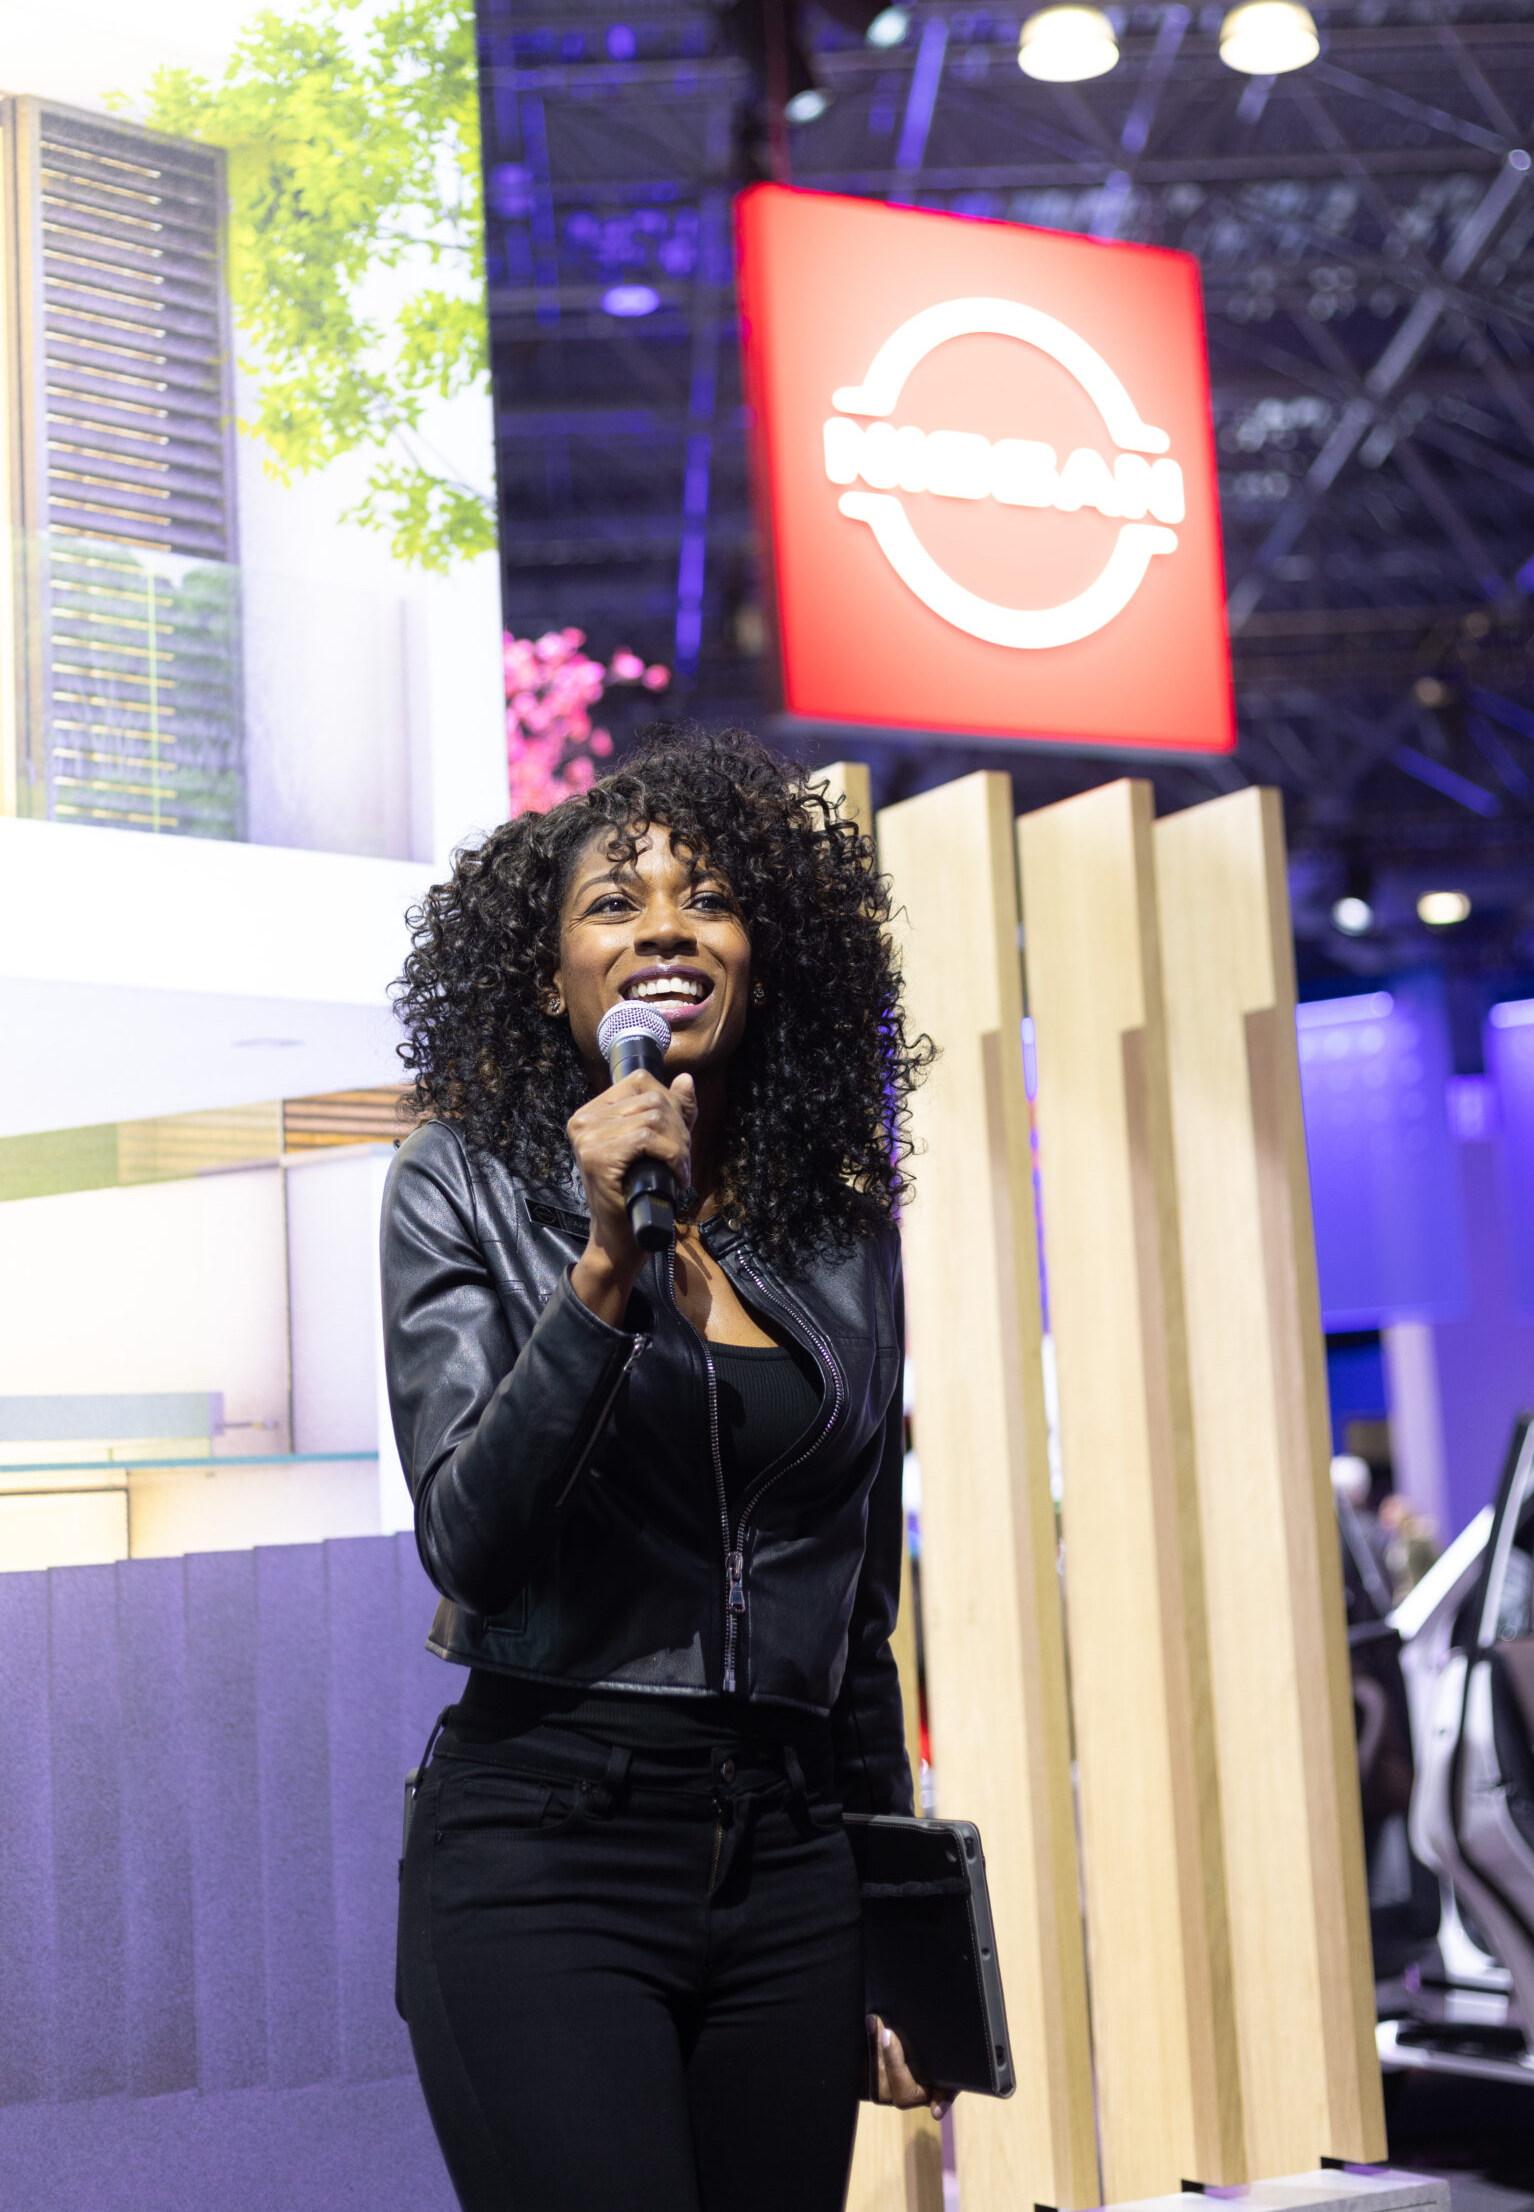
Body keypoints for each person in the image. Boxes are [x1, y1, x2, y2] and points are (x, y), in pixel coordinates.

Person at [383, 730, 948, 2212]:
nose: (664, 929)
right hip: (544, 1849)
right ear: (549, 971)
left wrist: (891, 1910)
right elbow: (471, 1538)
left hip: (790, 1863)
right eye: (611, 903)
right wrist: (601, 1271)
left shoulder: (842, 1234)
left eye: (707, 896)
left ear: (768, 955)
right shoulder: (460, 1182)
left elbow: (857, 1616)